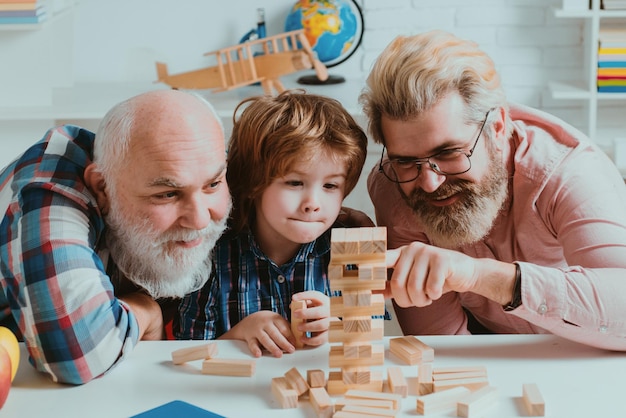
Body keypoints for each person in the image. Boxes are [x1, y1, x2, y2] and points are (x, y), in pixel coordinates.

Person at [360, 30, 626, 351]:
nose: (429, 183)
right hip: (483, 345)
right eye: (406, 161)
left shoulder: (569, 171)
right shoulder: (394, 187)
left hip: (587, 342)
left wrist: (477, 276)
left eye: (449, 153)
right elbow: (439, 346)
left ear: (498, 128)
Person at [0, 90, 232, 384]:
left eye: (212, 184)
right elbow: (75, 355)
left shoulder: (194, 161)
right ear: (102, 188)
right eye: (168, 194)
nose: (199, 219)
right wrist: (145, 310)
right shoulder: (45, 189)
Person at [175, 90, 371, 358]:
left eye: (330, 185)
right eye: (294, 182)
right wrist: (240, 334)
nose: (313, 203)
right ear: (254, 183)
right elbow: (187, 352)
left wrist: (338, 326)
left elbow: (374, 341)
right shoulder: (210, 253)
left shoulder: (356, 245)